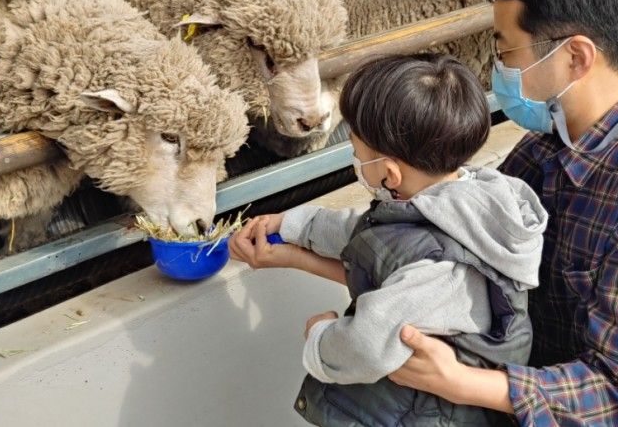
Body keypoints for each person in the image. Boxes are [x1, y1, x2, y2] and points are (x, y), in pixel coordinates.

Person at [388, 0, 618, 426]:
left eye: (507, 52)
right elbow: (473, 245)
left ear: (576, 57)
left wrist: (462, 381)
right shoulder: (548, 144)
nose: (498, 71)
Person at [230, 53, 548, 426]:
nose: (354, 160)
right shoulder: (456, 200)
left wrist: (320, 336)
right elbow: (371, 231)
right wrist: (291, 225)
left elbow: (367, 346)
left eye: (356, 153)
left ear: (390, 173)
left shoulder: (441, 272)